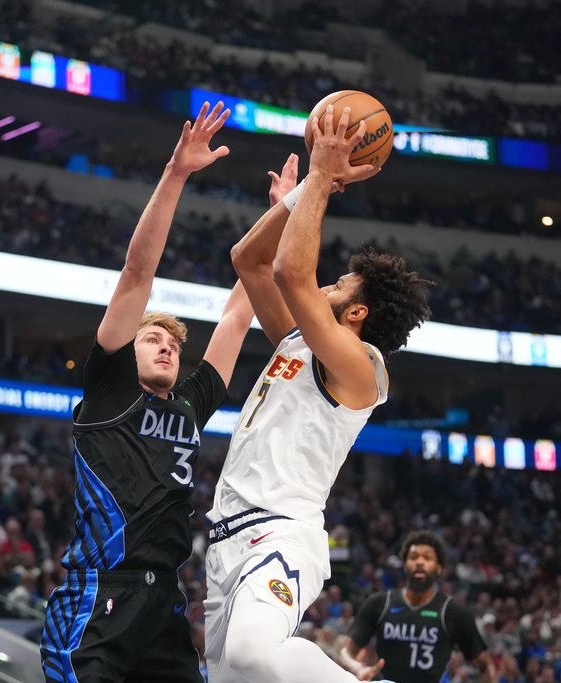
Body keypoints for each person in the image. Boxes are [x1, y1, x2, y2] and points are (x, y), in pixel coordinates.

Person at [202, 104, 432, 683]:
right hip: (226, 540)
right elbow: (249, 261)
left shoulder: (361, 368)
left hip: (281, 530)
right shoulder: (300, 341)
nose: (327, 281)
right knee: (238, 673)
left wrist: (323, 178)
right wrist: (301, 191)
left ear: (356, 313)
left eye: (340, 283)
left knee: (254, 653)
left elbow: (289, 273)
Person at [40, 101, 256, 683]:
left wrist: (291, 207)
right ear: (126, 348)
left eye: (173, 345)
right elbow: (138, 272)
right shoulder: (109, 390)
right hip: (98, 605)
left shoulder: (189, 406)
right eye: (152, 339)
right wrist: (177, 173)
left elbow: (238, 314)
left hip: (166, 610)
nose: (166, 348)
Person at [338, 531, 496, 683]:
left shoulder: (453, 611)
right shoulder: (379, 603)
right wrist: (356, 667)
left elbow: (486, 665)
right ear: (405, 564)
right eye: (413, 557)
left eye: (427, 558)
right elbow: (344, 650)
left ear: (439, 568)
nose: (419, 562)